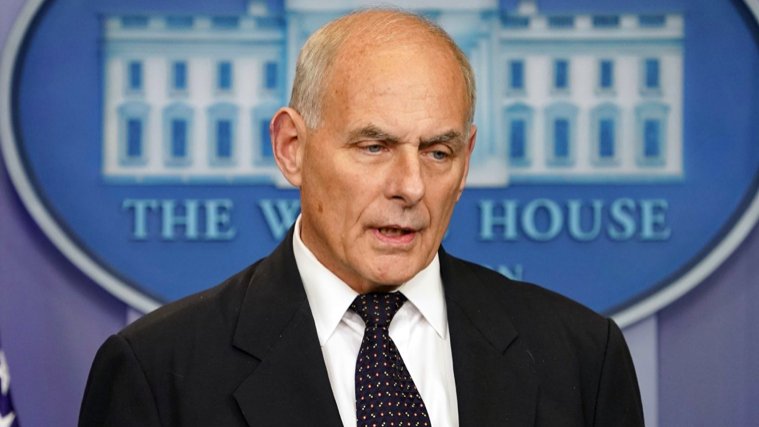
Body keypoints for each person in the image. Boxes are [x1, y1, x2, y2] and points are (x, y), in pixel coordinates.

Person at [79, 9, 643, 427]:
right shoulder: (158, 372)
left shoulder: (580, 356)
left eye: (437, 152)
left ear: (466, 159)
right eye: (374, 147)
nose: (410, 187)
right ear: (291, 148)